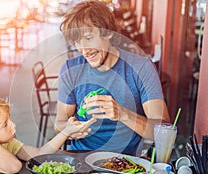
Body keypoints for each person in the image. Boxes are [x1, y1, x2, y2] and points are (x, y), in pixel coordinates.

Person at [55, 0, 170, 155]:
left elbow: (165, 131)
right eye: (77, 41)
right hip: (80, 160)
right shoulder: (70, 70)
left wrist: (123, 114)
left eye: (89, 38)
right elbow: (59, 123)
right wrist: (69, 130)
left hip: (125, 162)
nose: (84, 50)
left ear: (108, 32)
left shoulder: (141, 67)